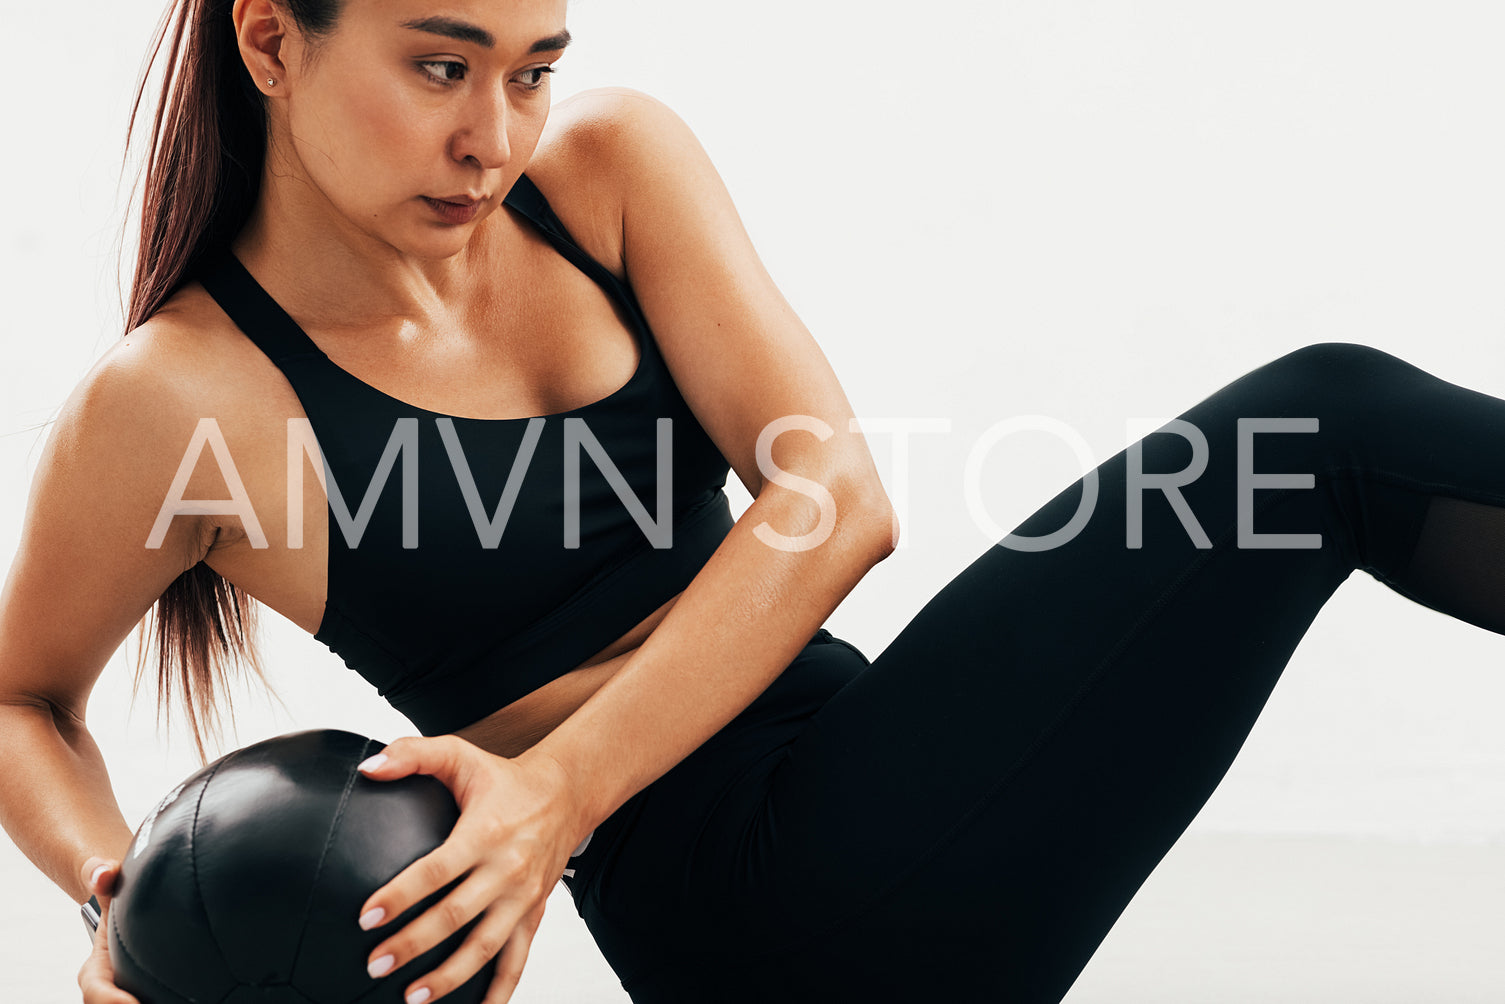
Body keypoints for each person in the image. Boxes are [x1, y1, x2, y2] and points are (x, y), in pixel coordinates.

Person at [3, 2, 1505, 1004]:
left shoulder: (602, 174)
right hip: (746, 899)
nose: (494, 134)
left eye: (531, 68)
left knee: (1313, 452)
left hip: (857, 763)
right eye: (440, 67)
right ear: (270, 43)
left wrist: (554, 792)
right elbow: (19, 701)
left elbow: (834, 499)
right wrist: (130, 903)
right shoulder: (176, 398)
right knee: (1325, 432)